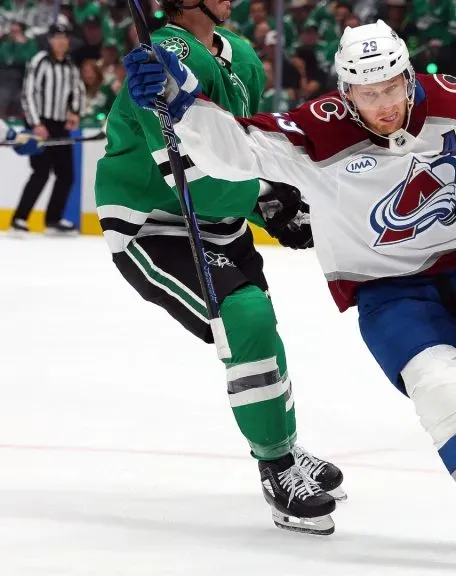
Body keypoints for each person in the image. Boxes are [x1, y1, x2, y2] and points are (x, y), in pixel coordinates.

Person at [124, 20, 456, 574]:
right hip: (390, 287)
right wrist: (178, 96)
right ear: (346, 92)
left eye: (392, 87)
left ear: (408, 76)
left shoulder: (455, 100)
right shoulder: (318, 131)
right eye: (368, 92)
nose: (385, 104)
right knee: (443, 393)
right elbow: (235, 149)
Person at [94, 0, 344, 536]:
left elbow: (239, 150)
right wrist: (266, 196)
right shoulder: (161, 55)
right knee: (245, 318)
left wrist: (272, 199)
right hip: (156, 225)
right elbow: (189, 180)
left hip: (220, 220)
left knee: (261, 330)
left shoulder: (244, 56)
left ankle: (283, 443)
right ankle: (277, 471)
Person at [11, 23, 82, 236]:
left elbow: (77, 90)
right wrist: (35, 123)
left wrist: (74, 112)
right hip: (40, 123)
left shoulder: (70, 64)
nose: (61, 41)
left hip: (60, 125)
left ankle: (52, 219)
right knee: (41, 171)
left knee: (66, 174)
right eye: (57, 37)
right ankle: (19, 219)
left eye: (64, 37)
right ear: (50, 40)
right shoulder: (40, 61)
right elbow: (28, 93)